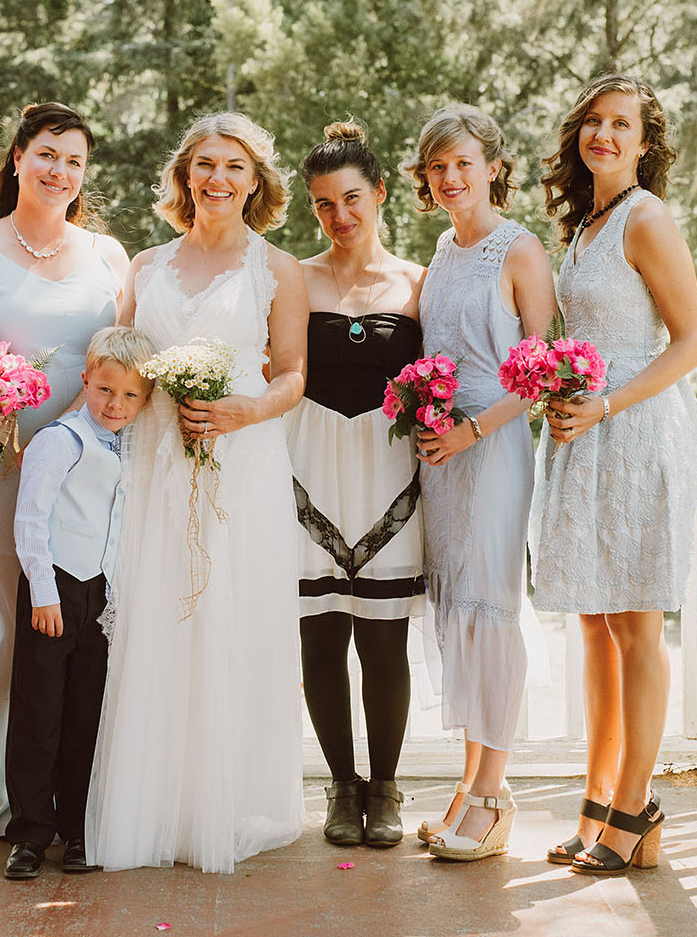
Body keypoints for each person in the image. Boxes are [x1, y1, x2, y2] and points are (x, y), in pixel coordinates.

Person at [86, 112, 310, 874]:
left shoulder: (278, 269)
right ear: (186, 174)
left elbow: (292, 376)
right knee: (158, 618)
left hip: (239, 468)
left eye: (235, 167)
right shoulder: (145, 267)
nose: (218, 179)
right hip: (156, 464)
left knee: (229, 621)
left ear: (256, 182)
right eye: (206, 164)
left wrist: (245, 409)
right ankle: (153, 807)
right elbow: (118, 365)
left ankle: (225, 801)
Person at [0, 103, 128, 839]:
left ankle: (69, 797)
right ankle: (2, 794)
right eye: (48, 154)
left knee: (73, 625)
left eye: (74, 161)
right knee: (1, 624)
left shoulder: (109, 256)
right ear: (17, 157)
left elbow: (129, 354)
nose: (60, 172)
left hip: (89, 469)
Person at [534, 74, 697, 875]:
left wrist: (605, 405)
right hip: (586, 432)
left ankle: (636, 807)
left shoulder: (646, 218)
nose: (603, 134)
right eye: (593, 122)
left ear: (644, 143)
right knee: (594, 624)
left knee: (638, 626)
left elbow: (690, 340)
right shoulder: (586, 223)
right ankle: (597, 803)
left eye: (621, 125)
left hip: (638, 431)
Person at [408, 105, 557, 862]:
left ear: (494, 166)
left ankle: (496, 797)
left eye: (463, 163)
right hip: (442, 454)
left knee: (491, 605)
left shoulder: (520, 252)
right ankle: (467, 787)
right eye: (437, 167)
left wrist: (471, 428)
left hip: (493, 449)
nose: (451, 178)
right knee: (456, 606)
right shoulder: (440, 250)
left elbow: (543, 373)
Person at [287, 120, 426, 848]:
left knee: (382, 640)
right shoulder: (294, 278)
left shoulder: (415, 284)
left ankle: (386, 785)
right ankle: (341, 785)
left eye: (350, 199)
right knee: (319, 638)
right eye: (321, 204)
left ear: (379, 194)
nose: (338, 217)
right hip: (307, 467)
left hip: (387, 471)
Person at [2, 327, 157, 880]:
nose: (115, 404)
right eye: (105, 391)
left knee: (86, 714)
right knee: (39, 712)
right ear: (86, 380)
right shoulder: (59, 440)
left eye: (130, 396)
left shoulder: (133, 444)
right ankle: (27, 834)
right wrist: (43, 594)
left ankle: (77, 831)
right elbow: (30, 520)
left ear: (145, 399)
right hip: (55, 590)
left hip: (100, 597)